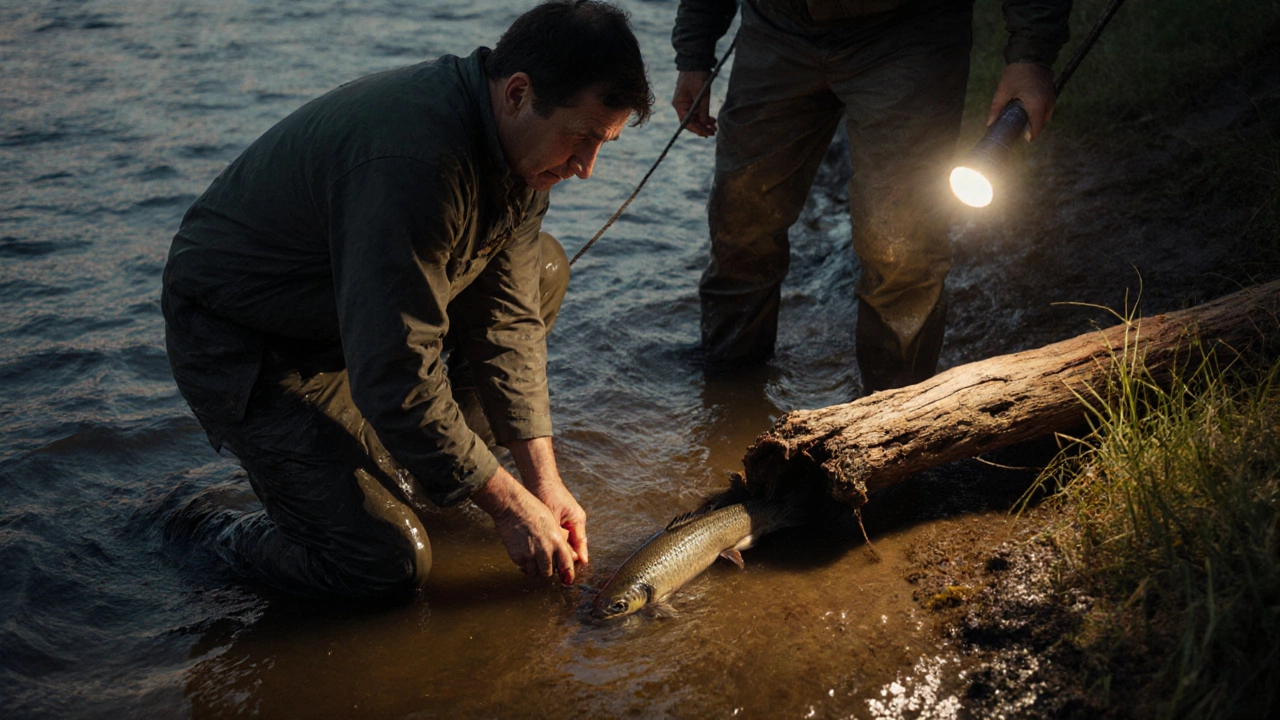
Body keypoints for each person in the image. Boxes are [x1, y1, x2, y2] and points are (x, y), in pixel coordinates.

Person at [161, 0, 653, 601]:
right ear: (519, 93)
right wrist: (505, 504)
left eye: (603, 144)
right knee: (385, 564)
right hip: (249, 341)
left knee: (542, 268)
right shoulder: (417, 163)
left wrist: (541, 483)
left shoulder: (522, 154)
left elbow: (508, 323)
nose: (586, 168)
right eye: (580, 139)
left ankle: (439, 467)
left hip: (350, 320)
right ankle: (205, 529)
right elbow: (394, 371)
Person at [671, 0, 1071, 392]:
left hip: (910, 31)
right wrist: (694, 50)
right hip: (776, 25)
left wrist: (1031, 55)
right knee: (740, 218)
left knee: (901, 247)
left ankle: (895, 420)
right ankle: (727, 398)